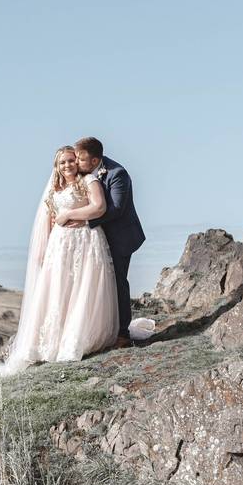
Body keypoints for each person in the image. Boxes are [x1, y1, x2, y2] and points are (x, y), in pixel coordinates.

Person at [0, 146, 119, 376]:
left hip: (85, 239)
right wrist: (45, 249)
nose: (68, 165)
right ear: (57, 166)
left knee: (83, 286)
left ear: (78, 162)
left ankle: (76, 338)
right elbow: (51, 219)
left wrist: (70, 214)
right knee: (59, 289)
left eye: (71, 161)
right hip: (60, 244)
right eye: (62, 162)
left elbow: (99, 208)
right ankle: (52, 339)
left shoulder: (89, 180)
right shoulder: (55, 189)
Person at [73, 137, 145, 346]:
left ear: (95, 161)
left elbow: (116, 208)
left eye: (81, 159)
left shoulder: (117, 174)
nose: (77, 162)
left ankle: (122, 334)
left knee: (117, 283)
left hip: (121, 237)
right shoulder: (83, 174)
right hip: (96, 239)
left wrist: (84, 220)